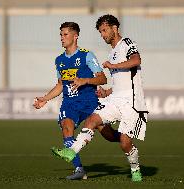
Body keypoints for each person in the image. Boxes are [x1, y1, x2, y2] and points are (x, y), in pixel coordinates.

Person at [51, 15, 148, 182]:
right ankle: (71, 151)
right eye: (100, 32)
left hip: (132, 102)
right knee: (92, 120)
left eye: (104, 30)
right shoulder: (112, 53)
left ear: (115, 28)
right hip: (115, 99)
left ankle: (135, 168)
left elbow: (136, 60)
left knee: (124, 142)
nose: (102, 35)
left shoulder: (127, 43)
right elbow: (121, 83)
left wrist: (113, 66)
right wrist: (107, 92)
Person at [33, 21, 120, 180]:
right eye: (60, 35)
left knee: (110, 136)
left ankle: (126, 139)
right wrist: (45, 99)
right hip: (70, 103)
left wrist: (85, 81)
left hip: (90, 102)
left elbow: (102, 78)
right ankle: (79, 169)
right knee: (66, 128)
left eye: (65, 34)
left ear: (75, 36)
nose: (62, 38)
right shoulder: (59, 60)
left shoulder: (87, 55)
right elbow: (60, 85)